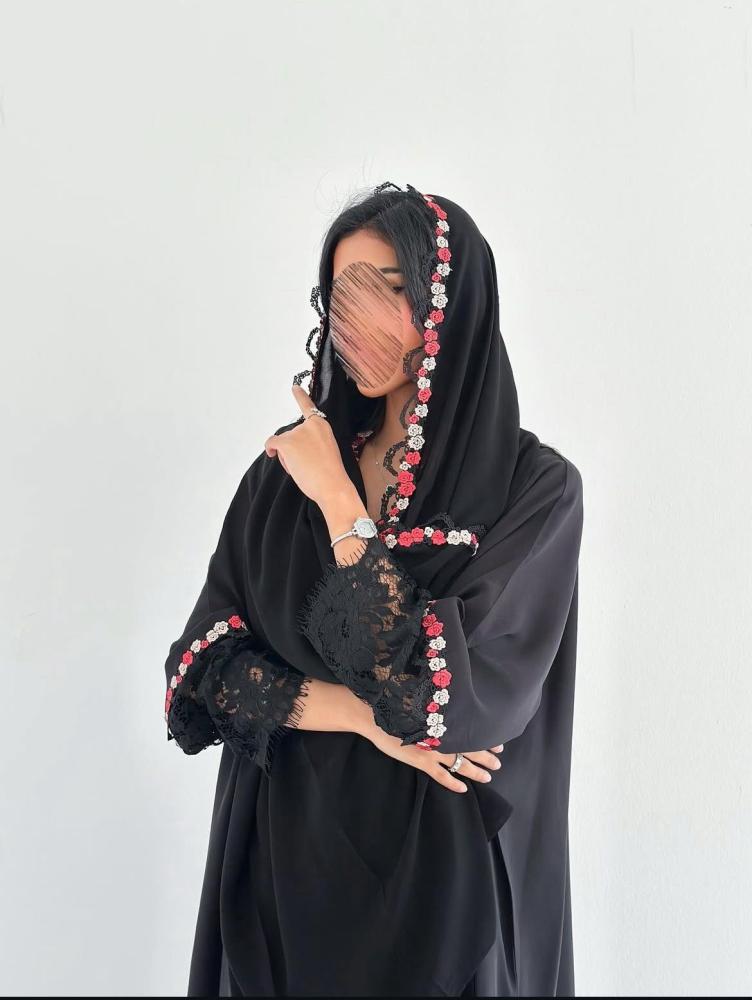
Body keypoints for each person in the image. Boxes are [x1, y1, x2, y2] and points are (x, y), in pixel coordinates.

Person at [162, 182, 584, 997]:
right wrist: (361, 716)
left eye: (387, 288)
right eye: (340, 292)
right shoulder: (282, 477)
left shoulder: (533, 492)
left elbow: (436, 698)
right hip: (280, 885)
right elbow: (203, 678)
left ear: (449, 302)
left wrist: (340, 504)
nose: (353, 319)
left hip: (446, 905)